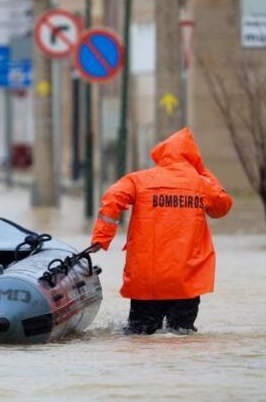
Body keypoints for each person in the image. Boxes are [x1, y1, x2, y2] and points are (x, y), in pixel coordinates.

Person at [90, 127, 232, 335]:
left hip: (147, 280)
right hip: (186, 281)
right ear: (192, 157)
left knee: (140, 337)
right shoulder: (200, 184)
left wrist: (102, 237)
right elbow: (222, 206)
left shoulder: (139, 180)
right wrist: (201, 170)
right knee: (182, 337)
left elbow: (112, 197)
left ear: (163, 153)